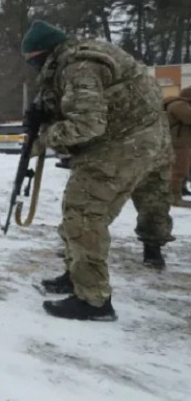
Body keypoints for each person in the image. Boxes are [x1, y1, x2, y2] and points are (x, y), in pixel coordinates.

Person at [23, 20, 174, 321]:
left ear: (41, 54)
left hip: (122, 146)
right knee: (80, 212)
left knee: (84, 214)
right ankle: (77, 275)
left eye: (32, 61)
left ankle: (93, 300)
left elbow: (88, 124)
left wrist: (46, 135)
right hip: (129, 143)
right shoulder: (80, 57)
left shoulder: (77, 66)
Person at [163, 87, 191, 208]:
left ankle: (180, 191)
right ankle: (174, 197)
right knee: (179, 170)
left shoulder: (179, 104)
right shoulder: (179, 105)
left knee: (182, 170)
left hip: (181, 142)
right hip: (178, 143)